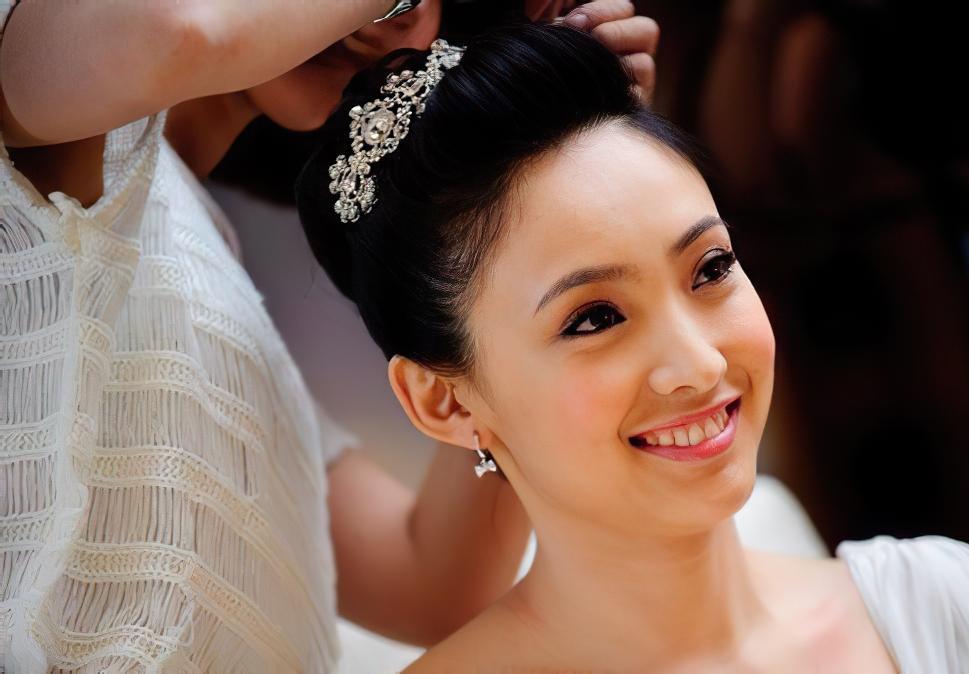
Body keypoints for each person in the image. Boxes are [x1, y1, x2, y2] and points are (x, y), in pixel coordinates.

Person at [295, 21, 969, 672]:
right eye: (594, 319)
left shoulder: (943, 609)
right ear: (445, 400)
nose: (700, 364)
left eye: (711, 269)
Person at [0, 1, 658, 670]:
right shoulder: (37, 81)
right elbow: (183, 36)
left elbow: (434, 584)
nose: (399, 20)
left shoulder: (213, 280)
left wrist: (558, 197)